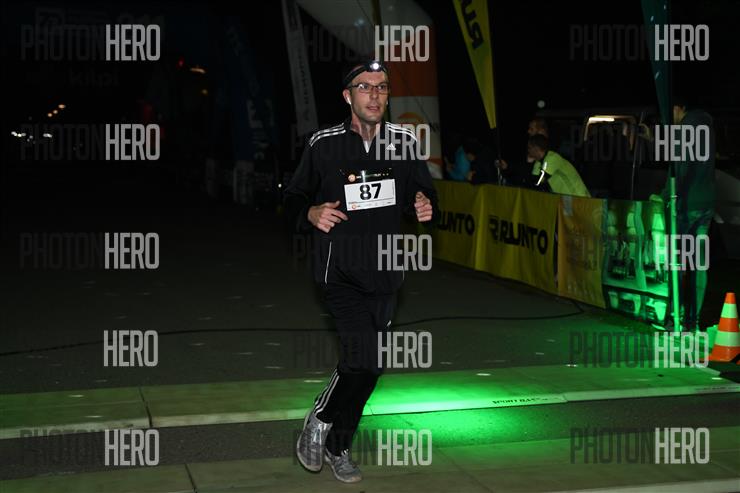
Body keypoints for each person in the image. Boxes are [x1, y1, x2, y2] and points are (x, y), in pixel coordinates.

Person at [284, 60, 437, 483]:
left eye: (382, 87)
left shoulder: (404, 143)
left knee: (369, 369)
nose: (375, 94)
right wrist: (310, 213)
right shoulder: (324, 144)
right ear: (347, 96)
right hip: (340, 273)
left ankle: (338, 445)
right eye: (365, 87)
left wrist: (425, 204)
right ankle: (320, 418)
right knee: (361, 357)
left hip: (386, 274)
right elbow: (292, 196)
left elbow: (423, 192)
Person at [650, 98, 715, 331]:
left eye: (670, 112)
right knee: (699, 264)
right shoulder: (707, 126)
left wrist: (664, 196)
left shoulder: (683, 130)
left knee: (676, 261)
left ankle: (675, 318)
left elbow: (679, 168)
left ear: (679, 108)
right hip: (706, 204)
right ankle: (693, 321)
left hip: (686, 204)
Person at [528, 133, 590, 198]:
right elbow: (532, 182)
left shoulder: (552, 158)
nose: (528, 151)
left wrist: (529, 165)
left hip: (578, 196)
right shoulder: (538, 162)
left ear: (536, 148)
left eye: (529, 148)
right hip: (565, 198)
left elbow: (539, 181)